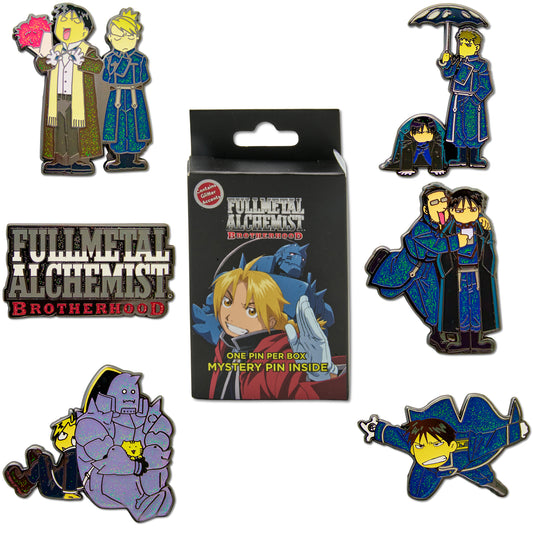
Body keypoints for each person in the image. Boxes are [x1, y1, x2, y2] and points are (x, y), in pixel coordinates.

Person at [209, 258, 345, 399]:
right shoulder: (226, 344)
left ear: (271, 320)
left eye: (251, 311)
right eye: (227, 302)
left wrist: (320, 378)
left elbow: (298, 392)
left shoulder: (279, 355)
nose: (232, 317)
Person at [359, 395, 529, 500]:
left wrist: (515, 431)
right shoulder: (414, 442)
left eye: (436, 444)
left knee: (485, 478)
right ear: (414, 448)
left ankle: (494, 486)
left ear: (451, 445)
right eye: (420, 446)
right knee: (417, 492)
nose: (429, 451)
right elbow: (397, 436)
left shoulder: (467, 446)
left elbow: (490, 440)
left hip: (467, 463)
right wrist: (377, 430)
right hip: (429, 469)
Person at [366, 184, 467, 352]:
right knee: (432, 303)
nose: (441, 205)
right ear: (426, 209)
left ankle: (448, 330)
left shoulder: (447, 221)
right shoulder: (420, 229)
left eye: (444, 200)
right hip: (411, 271)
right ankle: (438, 336)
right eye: (435, 202)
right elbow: (435, 245)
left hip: (430, 268)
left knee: (445, 298)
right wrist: (456, 241)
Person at [34, 4, 103, 174]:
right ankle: (60, 159)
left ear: (85, 30)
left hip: (80, 101)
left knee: (76, 130)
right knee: (58, 128)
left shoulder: (88, 50)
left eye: (74, 21)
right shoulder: (53, 50)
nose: (67, 24)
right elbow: (41, 65)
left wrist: (82, 62)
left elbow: (98, 66)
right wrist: (48, 61)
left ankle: (79, 159)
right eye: (62, 20)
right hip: (56, 98)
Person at [438, 188, 500, 353]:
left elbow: (489, 246)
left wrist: (485, 229)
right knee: (462, 306)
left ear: (479, 210)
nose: (466, 214)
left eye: (472, 210)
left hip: (477, 273)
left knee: (476, 305)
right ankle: (464, 341)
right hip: (458, 275)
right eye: (460, 210)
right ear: (452, 211)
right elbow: (442, 250)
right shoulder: (449, 230)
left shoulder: (481, 227)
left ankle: (477, 340)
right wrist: (446, 272)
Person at [102, 8, 151, 171]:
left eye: (129, 36)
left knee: (136, 126)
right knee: (117, 126)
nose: (123, 41)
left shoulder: (140, 58)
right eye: (118, 37)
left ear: (136, 37)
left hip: (134, 96)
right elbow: (106, 78)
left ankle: (134, 158)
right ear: (109, 38)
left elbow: (144, 77)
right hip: (115, 96)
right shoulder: (109, 58)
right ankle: (119, 158)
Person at [439, 27, 492, 167]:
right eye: (461, 44)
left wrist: (475, 100)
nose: (462, 47)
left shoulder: (481, 65)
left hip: (472, 103)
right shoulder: (457, 62)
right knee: (458, 129)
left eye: (467, 44)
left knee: (473, 130)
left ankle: (474, 158)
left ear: (477, 47)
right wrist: (446, 62)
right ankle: (461, 158)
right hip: (457, 101)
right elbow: (448, 74)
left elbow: (486, 87)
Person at [4, 411, 83, 500]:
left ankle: (26, 482)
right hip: (55, 481)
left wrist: (69, 492)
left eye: (61, 435)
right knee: (38, 456)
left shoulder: (72, 454)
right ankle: (34, 469)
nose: (57, 440)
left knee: (43, 458)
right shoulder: (79, 453)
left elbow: (70, 471)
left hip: (54, 488)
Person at [380, 115, 447, 176]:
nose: (424, 135)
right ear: (411, 133)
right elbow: (405, 150)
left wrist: (437, 168)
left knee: (432, 160)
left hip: (429, 148)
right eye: (419, 132)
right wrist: (406, 169)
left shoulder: (439, 134)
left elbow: (439, 150)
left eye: (428, 132)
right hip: (412, 148)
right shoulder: (405, 134)